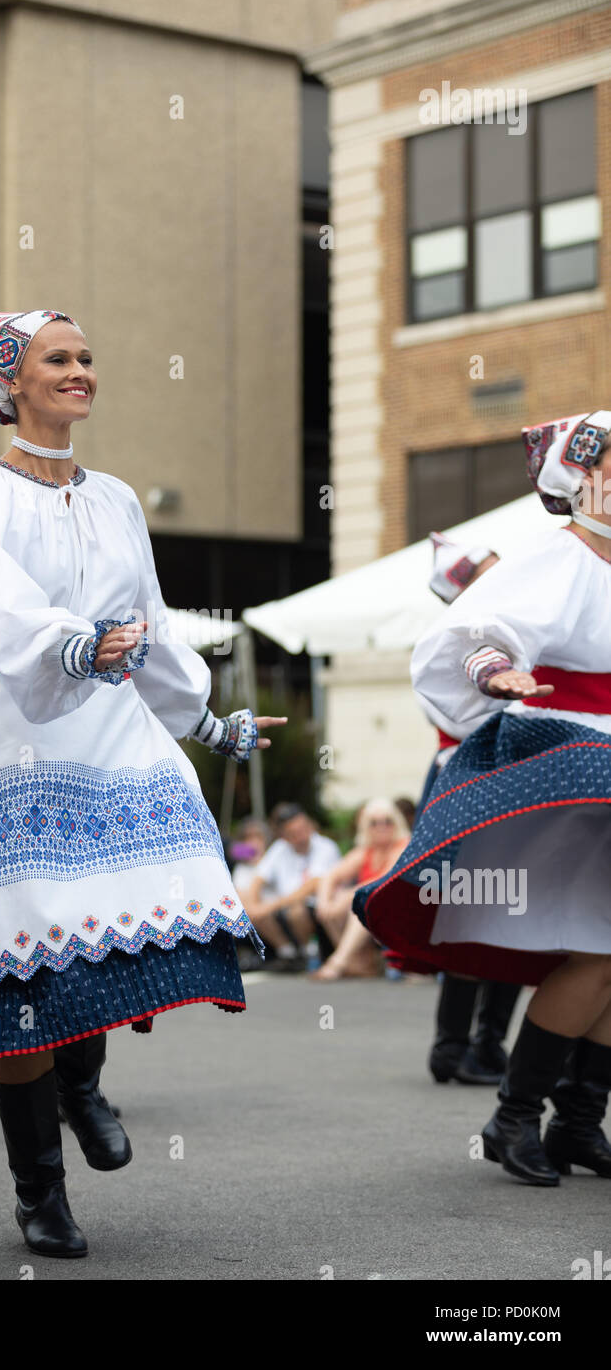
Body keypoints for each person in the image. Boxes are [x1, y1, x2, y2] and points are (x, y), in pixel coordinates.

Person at [0, 308, 286, 1258]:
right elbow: (1, 603)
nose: (79, 371)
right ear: (9, 383)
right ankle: (41, 1192)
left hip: (112, 736)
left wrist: (204, 719)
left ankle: (83, 1081)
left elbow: (145, 618)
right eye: (56, 359)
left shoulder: (114, 497)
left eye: (84, 358)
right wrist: (71, 644)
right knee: (22, 954)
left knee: (101, 928)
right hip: (17, 736)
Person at [354, 410, 611, 1186]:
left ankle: (573, 1120)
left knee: (608, 956)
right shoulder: (562, 556)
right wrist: (496, 668)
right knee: (597, 953)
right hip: (577, 759)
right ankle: (516, 1117)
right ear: (582, 477)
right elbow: (474, 629)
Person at [422, 533, 522, 1086]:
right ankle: (455, 1046)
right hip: (474, 781)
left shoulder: (513, 628)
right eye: (489, 567)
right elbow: (461, 720)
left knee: (515, 909)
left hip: (507, 779)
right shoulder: (454, 638)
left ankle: (486, 1046)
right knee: (476, 908)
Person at [310, 798, 410, 982]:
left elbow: (386, 879)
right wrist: (325, 903)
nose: (381, 827)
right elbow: (330, 877)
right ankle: (358, 964)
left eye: (387, 821)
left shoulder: (403, 845)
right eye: (374, 823)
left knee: (359, 904)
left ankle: (338, 963)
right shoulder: (366, 850)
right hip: (374, 913)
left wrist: (348, 896)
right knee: (336, 899)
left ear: (396, 823)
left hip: (399, 912)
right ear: (366, 827)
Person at [242, 802, 340, 970]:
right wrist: (252, 904)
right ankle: (286, 952)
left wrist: (268, 906)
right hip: (283, 906)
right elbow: (258, 879)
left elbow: (312, 886)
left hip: (314, 908)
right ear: (284, 835)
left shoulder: (326, 846)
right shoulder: (279, 848)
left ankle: (307, 952)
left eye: (302, 830)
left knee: (297, 910)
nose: (300, 837)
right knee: (247, 899)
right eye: (293, 833)